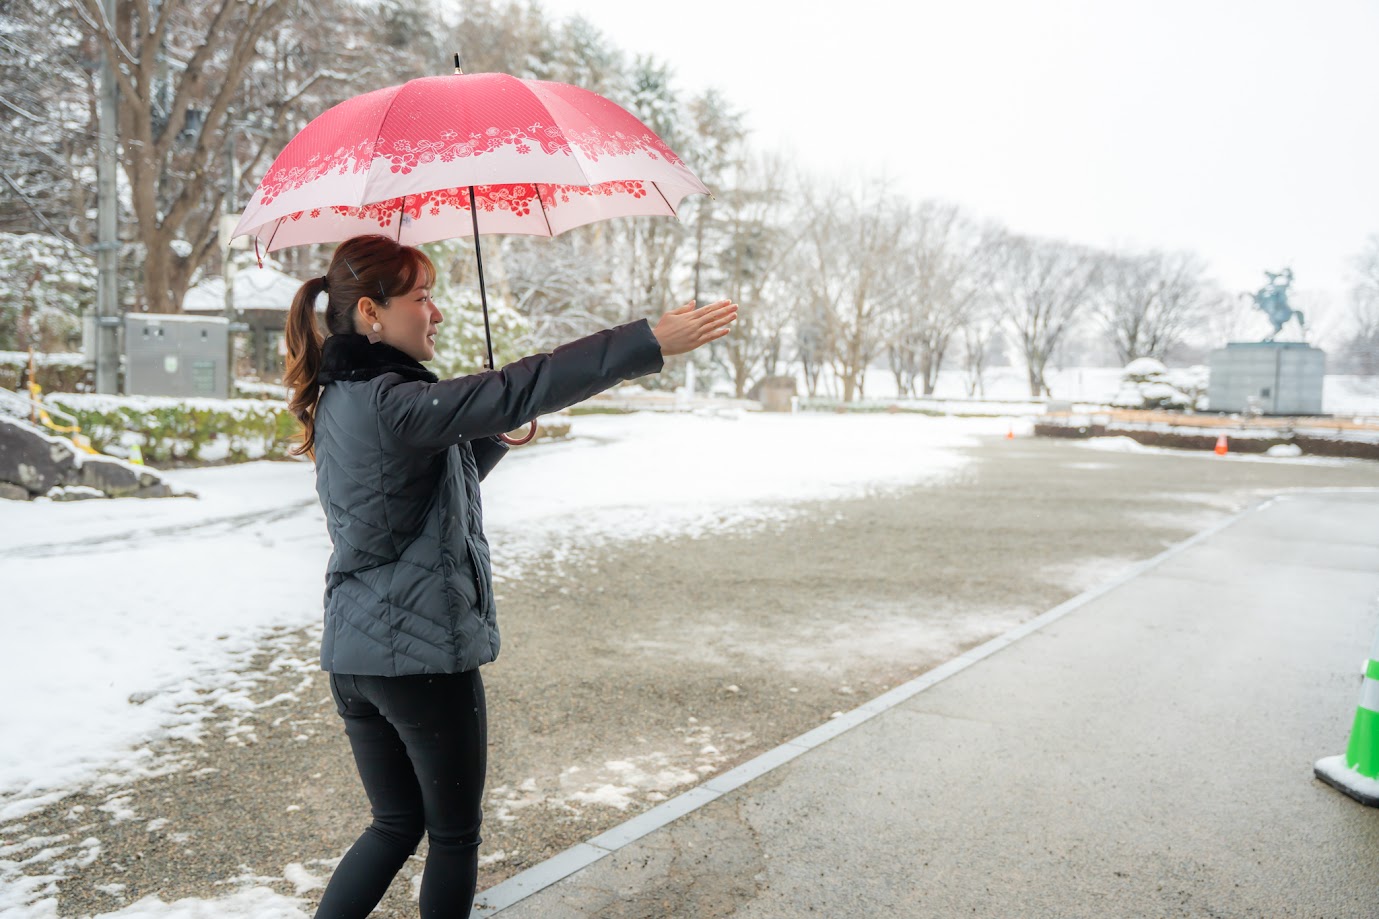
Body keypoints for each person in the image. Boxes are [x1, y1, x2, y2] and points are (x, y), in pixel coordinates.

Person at [282, 234, 738, 918]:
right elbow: (525, 383)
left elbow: (412, 497)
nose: (436, 312)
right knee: (453, 836)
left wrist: (492, 434)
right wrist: (646, 341)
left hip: (357, 656)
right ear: (371, 312)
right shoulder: (394, 401)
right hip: (421, 658)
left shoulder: (345, 398)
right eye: (422, 297)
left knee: (394, 825)